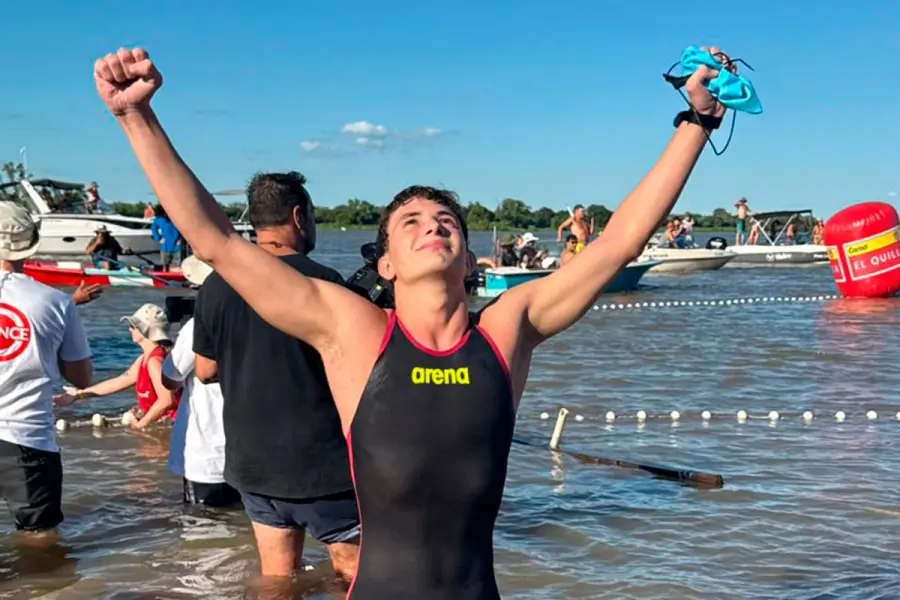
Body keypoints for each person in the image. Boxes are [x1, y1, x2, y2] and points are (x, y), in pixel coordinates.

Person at [95, 43, 737, 599]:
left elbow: (617, 244)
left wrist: (696, 122)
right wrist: (136, 116)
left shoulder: (507, 329)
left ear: (467, 257)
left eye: (446, 222)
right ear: (390, 265)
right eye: (412, 222)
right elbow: (218, 245)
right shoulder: (354, 330)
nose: (432, 226)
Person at [191, 172, 359, 582]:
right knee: (353, 573)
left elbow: (204, 369)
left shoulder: (216, 284)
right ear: (299, 217)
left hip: (253, 462)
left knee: (278, 577)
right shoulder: (325, 282)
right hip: (322, 465)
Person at [0, 203, 93, 535]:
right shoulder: (55, 301)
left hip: (24, 437)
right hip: (25, 437)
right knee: (40, 543)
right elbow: (81, 378)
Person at [161, 256, 237, 508]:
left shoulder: (195, 327)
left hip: (206, 453)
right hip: (248, 450)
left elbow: (170, 379)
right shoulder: (254, 317)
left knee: (201, 532)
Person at [55, 303, 180, 429]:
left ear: (145, 330)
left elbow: (166, 400)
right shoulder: (144, 359)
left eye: (133, 326)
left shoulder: (154, 362)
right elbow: (119, 381)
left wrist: (140, 425)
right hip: (159, 424)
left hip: (171, 426)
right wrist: (80, 394)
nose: (129, 329)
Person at [151, 205, 182, 271]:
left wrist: (180, 239)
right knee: (165, 266)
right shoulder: (159, 219)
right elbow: (153, 228)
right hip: (165, 247)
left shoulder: (177, 217)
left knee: (178, 267)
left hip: (177, 247)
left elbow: (184, 229)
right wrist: (158, 238)